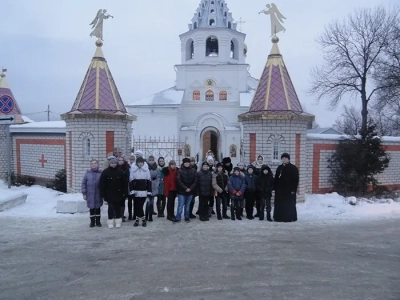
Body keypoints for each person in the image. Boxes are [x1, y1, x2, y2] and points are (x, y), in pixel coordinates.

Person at [100, 156, 127, 229]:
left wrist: (125, 193)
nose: (113, 164)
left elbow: (124, 183)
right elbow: (102, 184)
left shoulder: (120, 171)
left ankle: (118, 221)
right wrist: (103, 195)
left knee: (117, 207)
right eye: (112, 163)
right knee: (110, 208)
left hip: (119, 193)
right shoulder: (105, 172)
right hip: (109, 194)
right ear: (109, 163)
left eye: (115, 163)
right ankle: (110, 221)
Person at [274, 153, 299, 222]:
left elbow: (295, 180)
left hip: (289, 190)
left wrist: (293, 190)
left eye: (286, 158)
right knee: (280, 205)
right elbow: (276, 178)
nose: (284, 159)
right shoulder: (279, 168)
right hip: (280, 191)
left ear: (288, 159)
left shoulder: (293, 168)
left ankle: (289, 218)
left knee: (289, 204)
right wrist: (275, 187)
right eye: (283, 158)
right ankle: (279, 217)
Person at [129, 156, 152, 227]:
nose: (140, 164)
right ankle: (141, 220)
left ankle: (139, 220)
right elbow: (130, 181)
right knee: (137, 206)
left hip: (144, 191)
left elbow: (149, 181)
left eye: (141, 162)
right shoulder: (133, 170)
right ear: (136, 163)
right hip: (136, 191)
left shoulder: (146, 170)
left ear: (143, 162)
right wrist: (132, 191)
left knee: (140, 206)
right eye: (139, 162)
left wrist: (149, 192)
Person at [175, 158, 197, 223]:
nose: (187, 164)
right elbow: (178, 181)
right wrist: (185, 188)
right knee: (180, 205)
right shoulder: (179, 171)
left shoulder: (193, 170)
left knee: (187, 205)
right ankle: (178, 217)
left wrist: (190, 188)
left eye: (188, 162)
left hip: (190, 191)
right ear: (183, 163)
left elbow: (195, 180)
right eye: (185, 163)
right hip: (181, 191)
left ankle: (186, 217)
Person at [81, 159, 103, 228]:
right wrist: (84, 193)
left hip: (98, 194)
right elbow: (83, 184)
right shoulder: (87, 174)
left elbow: (103, 184)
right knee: (92, 209)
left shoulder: (100, 174)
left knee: (98, 209)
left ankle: (98, 222)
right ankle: (92, 222)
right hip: (90, 194)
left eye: (95, 163)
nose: (94, 165)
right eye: (92, 164)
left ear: (98, 164)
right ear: (90, 165)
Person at [146, 155, 160, 222]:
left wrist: (156, 185)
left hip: (154, 186)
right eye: (150, 160)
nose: (151, 161)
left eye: (152, 160)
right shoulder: (146, 167)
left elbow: (158, 177)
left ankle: (150, 216)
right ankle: (146, 215)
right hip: (147, 186)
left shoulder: (156, 168)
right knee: (148, 202)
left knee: (152, 201)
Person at [118, 156, 130, 222]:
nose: (120, 161)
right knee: (117, 202)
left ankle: (122, 215)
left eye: (122, 160)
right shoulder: (115, 167)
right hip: (116, 188)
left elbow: (127, 178)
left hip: (124, 188)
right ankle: (117, 215)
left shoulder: (126, 168)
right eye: (119, 160)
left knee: (122, 202)